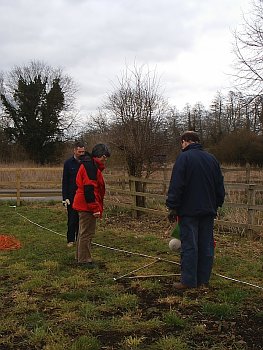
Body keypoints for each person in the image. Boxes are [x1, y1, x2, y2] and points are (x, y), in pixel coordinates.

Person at [166, 131, 225, 290]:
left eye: (182, 143)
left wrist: (172, 206)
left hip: (189, 211)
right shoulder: (212, 159)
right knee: (206, 245)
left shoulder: (184, 158)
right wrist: (217, 203)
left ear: (185, 141)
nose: (182, 146)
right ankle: (203, 281)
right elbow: (219, 185)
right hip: (208, 210)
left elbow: (177, 185)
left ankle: (189, 281)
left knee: (190, 245)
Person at [73, 143, 110, 268]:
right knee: (87, 233)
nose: (105, 161)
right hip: (86, 205)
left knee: (83, 232)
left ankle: (80, 257)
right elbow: (89, 189)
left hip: (84, 203)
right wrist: (95, 208)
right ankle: (84, 260)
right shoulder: (90, 167)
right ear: (100, 156)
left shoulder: (90, 165)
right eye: (104, 158)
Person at [62, 141, 85, 247]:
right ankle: (70, 240)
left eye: (83, 151)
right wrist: (65, 197)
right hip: (71, 196)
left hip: (83, 196)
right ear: (75, 150)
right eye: (79, 151)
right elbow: (65, 181)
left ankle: (80, 238)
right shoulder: (68, 163)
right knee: (72, 219)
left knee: (82, 220)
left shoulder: (85, 162)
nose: (81, 153)